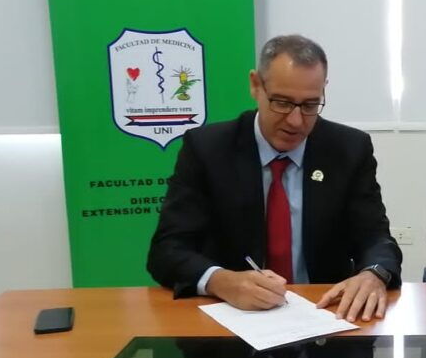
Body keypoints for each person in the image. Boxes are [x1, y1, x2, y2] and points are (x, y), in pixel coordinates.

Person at [148, 34, 402, 320]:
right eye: (282, 103)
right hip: (233, 321)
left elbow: (376, 239)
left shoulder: (349, 149)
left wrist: (374, 274)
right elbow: (167, 250)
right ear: (256, 85)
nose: (295, 121)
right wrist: (221, 281)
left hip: (325, 317)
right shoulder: (208, 149)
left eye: (310, 105)